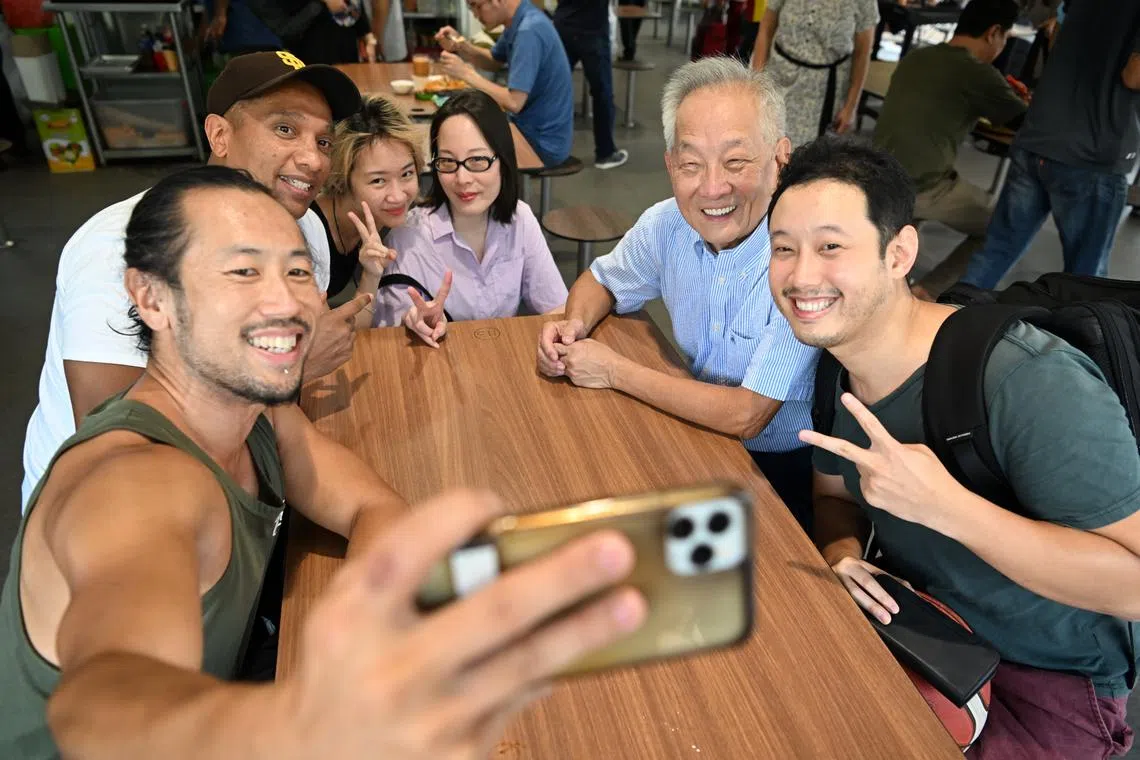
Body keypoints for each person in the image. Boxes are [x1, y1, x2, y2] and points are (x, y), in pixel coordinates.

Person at [0, 166, 648, 759]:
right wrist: (309, 724)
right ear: (153, 298)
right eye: (242, 271)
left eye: (298, 271)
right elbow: (107, 707)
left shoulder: (256, 409)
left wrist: (371, 648)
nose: (286, 302)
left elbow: (373, 506)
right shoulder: (136, 482)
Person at [767, 137, 1137, 759]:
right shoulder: (837, 364)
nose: (802, 275)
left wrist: (947, 508)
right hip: (924, 634)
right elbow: (834, 493)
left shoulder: (1026, 379)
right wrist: (841, 554)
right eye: (783, 249)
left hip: (1046, 681)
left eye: (832, 246)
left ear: (899, 253)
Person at [19, 51, 370, 511]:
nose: (312, 159)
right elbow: (115, 437)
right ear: (219, 134)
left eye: (324, 142)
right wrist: (294, 367)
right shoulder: (122, 246)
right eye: (285, 129)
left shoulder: (302, 228)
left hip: (239, 467)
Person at [536, 57, 820, 531]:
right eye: (691, 164)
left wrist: (611, 369)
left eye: (735, 161)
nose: (712, 188)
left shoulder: (801, 262)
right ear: (670, 165)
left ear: (780, 156)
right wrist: (573, 326)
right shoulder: (666, 224)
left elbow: (748, 415)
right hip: (692, 433)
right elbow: (603, 280)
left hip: (779, 468)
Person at [962, 0, 1140, 288]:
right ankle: (1076, 334)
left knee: (995, 252)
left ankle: (950, 324)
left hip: (1039, 136)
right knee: (1085, 279)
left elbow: (1055, 34)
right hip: (1093, 152)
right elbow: (1133, 75)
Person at [375, 90, 568, 346]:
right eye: (447, 162)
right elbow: (387, 340)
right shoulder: (408, 237)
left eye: (477, 160)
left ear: (503, 159)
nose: (462, 179)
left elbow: (556, 308)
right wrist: (412, 321)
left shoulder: (519, 219)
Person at [872, 0, 1027, 300]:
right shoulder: (978, 73)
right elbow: (1024, 120)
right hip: (925, 186)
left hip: (880, 174)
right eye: (1005, 38)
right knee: (1002, 226)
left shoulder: (918, 56)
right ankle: (929, 291)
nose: (1003, 45)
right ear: (994, 32)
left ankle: (890, 280)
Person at [313, 95, 422, 320]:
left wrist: (371, 276)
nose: (398, 196)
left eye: (407, 174)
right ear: (343, 178)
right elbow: (334, 338)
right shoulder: (307, 233)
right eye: (378, 181)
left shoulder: (384, 217)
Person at [433, 0, 574, 167]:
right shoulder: (518, 20)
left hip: (541, 143)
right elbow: (494, 61)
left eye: (477, 6)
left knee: (455, 141)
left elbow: (514, 102)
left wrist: (465, 73)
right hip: (530, 129)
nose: (476, 15)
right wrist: (461, 46)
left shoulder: (528, 30)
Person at [750, 0, 878, 148]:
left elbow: (862, 53)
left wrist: (851, 107)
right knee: (766, 145)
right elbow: (765, 30)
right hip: (778, 79)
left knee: (808, 159)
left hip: (823, 94)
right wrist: (756, 83)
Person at [552, 0, 630, 169]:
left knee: (552, 90)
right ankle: (605, 153)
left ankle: (544, 150)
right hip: (592, 29)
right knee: (602, 93)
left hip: (564, 25)